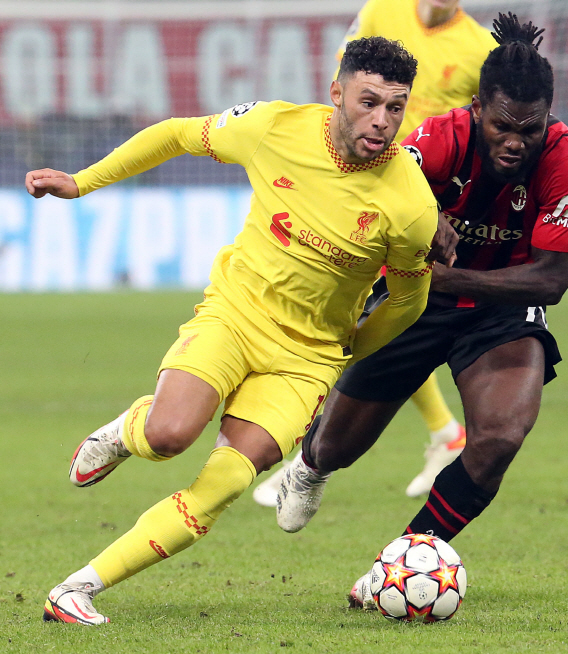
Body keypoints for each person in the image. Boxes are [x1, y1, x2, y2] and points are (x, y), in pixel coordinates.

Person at [28, 37, 446, 625]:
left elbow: (408, 300)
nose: (381, 120)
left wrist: (351, 349)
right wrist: (82, 182)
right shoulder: (274, 127)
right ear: (337, 93)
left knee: (224, 483)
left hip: (306, 360)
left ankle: (77, 589)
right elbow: (177, 133)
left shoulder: (411, 205)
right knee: (169, 434)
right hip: (235, 315)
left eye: (395, 108)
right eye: (368, 101)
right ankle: (127, 431)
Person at [275, 14, 568, 608]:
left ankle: (400, 562)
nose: (515, 141)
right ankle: (310, 466)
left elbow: (550, 280)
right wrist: (422, 214)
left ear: (549, 116)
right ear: (478, 108)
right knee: (337, 447)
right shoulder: (442, 138)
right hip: (413, 302)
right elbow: (372, 188)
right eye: (502, 126)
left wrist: (448, 275)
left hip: (501, 311)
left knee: (500, 436)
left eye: (530, 128)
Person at [251, 0, 497, 507]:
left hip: (415, 204)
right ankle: (442, 432)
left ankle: (306, 450)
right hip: (361, 182)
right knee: (365, 314)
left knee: (360, 315)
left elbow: (492, 133)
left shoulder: (479, 49)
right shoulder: (382, 11)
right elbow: (347, 82)